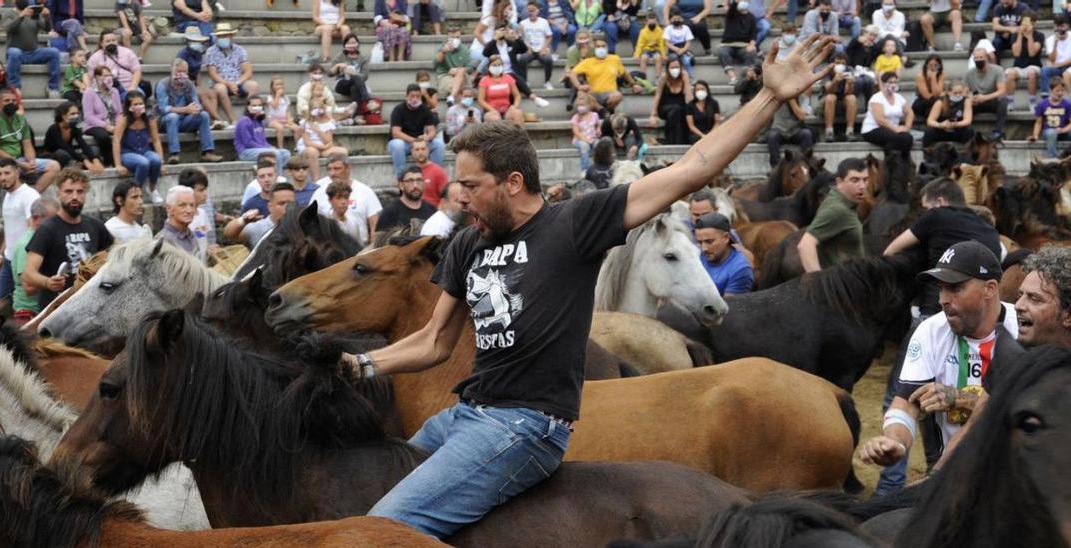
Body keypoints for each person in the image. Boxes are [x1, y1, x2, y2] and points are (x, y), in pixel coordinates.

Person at [338, 36, 833, 539]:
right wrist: (362, 364)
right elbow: (434, 342)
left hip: (522, 427)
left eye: (471, 186)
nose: (458, 197)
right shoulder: (468, 245)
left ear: (512, 183)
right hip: (462, 416)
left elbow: (694, 168)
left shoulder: (575, 225)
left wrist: (768, 98)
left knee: (383, 528)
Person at [858, 241, 1022, 485]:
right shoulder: (930, 331)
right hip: (956, 474)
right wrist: (895, 441)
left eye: (955, 288)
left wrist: (962, 399)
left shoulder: (1024, 329)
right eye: (941, 288)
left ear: (989, 288)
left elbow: (1033, 409)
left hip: (1018, 475)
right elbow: (906, 401)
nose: (943, 299)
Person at [884, 177, 1004, 316]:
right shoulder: (988, 228)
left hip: (936, 310)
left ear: (940, 202)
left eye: (926, 208)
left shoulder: (936, 215)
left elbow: (890, 251)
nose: (925, 213)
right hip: (982, 314)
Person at [22, 168, 113, 309]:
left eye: (80, 191)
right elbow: (28, 274)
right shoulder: (47, 229)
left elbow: (116, 252)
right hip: (57, 309)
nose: (74, 196)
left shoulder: (95, 226)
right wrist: (47, 282)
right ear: (59, 194)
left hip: (90, 306)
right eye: (68, 191)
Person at [0, 89, 60, 192]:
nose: (11, 103)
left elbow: (27, 145)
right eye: (7, 100)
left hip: (19, 160)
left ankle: (33, 196)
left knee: (54, 166)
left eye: (14, 100)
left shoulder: (21, 119)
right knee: (11, 170)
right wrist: (21, 165)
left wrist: (31, 163)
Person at [799, 157, 866, 272]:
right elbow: (805, 245)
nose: (862, 186)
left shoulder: (843, 202)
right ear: (839, 182)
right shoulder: (837, 210)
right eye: (855, 180)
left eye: (865, 180)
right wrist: (820, 282)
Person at [0, 158, 40, 302]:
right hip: (8, 260)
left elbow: (35, 230)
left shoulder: (29, 195)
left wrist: (30, 264)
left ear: (17, 173)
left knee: (25, 307)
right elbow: (10, 230)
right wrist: (0, 256)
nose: (3, 178)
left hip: (24, 263)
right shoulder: (7, 195)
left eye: (7, 173)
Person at [155, 59, 221, 165]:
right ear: (172, 71)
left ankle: (207, 152)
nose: (181, 74)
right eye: (179, 71)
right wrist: (185, 109)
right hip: (166, 121)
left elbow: (196, 102)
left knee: (203, 115)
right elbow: (163, 108)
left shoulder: (189, 84)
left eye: (184, 72)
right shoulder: (163, 84)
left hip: (185, 120)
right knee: (172, 117)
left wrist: (196, 109)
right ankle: (174, 154)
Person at [311, 153, 383, 242]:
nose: (332, 173)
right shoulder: (319, 193)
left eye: (337, 169)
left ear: (348, 169)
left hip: (359, 246)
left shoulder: (365, 191)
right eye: (329, 169)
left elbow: (374, 223)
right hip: (329, 247)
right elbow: (311, 220)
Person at [11, 197, 59, 323]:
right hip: (29, 313)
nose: (56, 224)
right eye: (52, 219)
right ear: (36, 218)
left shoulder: (44, 240)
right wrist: (53, 278)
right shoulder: (25, 244)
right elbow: (29, 288)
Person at [113, 91, 166, 198]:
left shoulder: (150, 119)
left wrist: (162, 162)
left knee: (155, 160)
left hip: (144, 150)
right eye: (135, 104)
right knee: (143, 163)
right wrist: (118, 164)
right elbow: (116, 140)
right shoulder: (124, 120)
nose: (138, 107)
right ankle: (135, 191)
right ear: (129, 106)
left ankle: (152, 188)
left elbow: (156, 140)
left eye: (140, 104)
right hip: (128, 152)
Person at [201, 23, 257, 125]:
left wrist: (237, 83)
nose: (223, 38)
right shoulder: (210, 51)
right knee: (220, 88)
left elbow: (248, 71)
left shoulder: (240, 50)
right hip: (220, 82)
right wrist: (228, 84)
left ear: (231, 36)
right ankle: (233, 119)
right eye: (220, 36)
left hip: (237, 82)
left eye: (225, 35)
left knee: (253, 86)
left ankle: (249, 117)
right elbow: (213, 73)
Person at [4, 0, 61, 99]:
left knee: (54, 52)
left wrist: (47, 16)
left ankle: (53, 88)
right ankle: (14, 88)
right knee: (14, 52)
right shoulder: (8, 13)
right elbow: (9, 28)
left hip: (33, 52)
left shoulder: (34, 14)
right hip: (16, 53)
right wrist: (21, 16)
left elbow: (47, 28)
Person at [1016, 247, 1071, 347]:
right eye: (1020, 295)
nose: (1018, 306)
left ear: (1068, 316)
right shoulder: (1008, 358)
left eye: (1034, 299)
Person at [570, 36, 637, 113]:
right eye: (598, 46)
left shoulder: (615, 59)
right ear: (594, 48)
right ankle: (602, 110)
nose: (601, 48)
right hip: (593, 94)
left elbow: (624, 72)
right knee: (581, 94)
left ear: (607, 47)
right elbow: (572, 73)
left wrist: (633, 84)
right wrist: (579, 86)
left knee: (618, 96)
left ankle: (602, 110)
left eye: (603, 46)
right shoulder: (587, 61)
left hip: (610, 94)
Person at [693, 212, 753, 295]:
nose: (703, 248)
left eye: (709, 241)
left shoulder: (740, 269)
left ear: (726, 238)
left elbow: (731, 306)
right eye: (700, 242)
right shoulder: (696, 256)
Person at [225, 182, 298, 248]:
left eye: (290, 203)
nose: (287, 207)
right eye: (281, 203)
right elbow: (229, 234)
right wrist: (243, 221)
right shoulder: (259, 228)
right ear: (270, 207)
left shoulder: (301, 227)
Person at [862, 71, 914, 154]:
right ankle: (891, 163)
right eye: (890, 82)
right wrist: (895, 129)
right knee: (894, 138)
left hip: (893, 129)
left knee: (908, 138)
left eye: (895, 82)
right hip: (873, 129)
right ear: (883, 83)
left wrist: (907, 127)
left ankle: (904, 161)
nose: (893, 85)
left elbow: (909, 113)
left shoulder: (899, 98)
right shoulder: (876, 98)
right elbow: (879, 119)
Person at [44, 101, 104, 172]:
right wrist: (85, 160)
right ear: (63, 116)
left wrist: (95, 159)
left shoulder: (75, 127)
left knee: (94, 149)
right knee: (62, 153)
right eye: (72, 114)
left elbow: (83, 144)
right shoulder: (53, 129)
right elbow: (65, 147)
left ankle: (79, 164)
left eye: (77, 113)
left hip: (70, 153)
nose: (76, 116)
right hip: (54, 156)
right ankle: (78, 164)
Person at [235, 95, 291, 170]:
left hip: (260, 149)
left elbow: (263, 140)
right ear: (248, 107)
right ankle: (278, 179)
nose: (257, 107)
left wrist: (269, 146)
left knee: (286, 153)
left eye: (259, 105)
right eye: (254, 105)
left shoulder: (259, 121)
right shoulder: (244, 120)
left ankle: (273, 173)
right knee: (275, 154)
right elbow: (248, 142)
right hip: (246, 151)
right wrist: (267, 148)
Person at [966, 47, 1010, 141]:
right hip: (976, 102)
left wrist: (985, 97)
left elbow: (1002, 90)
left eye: (981, 57)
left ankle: (998, 131)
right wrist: (971, 98)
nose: (979, 60)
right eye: (976, 58)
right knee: (964, 103)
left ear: (986, 58)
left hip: (992, 100)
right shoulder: (969, 73)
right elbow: (964, 92)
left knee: (1004, 101)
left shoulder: (998, 70)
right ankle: (965, 131)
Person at [89, 28, 145, 99]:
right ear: (101, 44)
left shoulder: (128, 52)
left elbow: (137, 71)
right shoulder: (95, 58)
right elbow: (90, 77)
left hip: (128, 85)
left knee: (139, 95)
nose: (111, 43)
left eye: (113, 40)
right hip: (107, 89)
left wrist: (133, 86)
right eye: (108, 41)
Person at [377, 167, 438, 231]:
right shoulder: (390, 212)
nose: (415, 185)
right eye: (410, 181)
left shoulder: (432, 210)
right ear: (401, 185)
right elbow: (380, 238)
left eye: (419, 180)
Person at [82, 65, 121, 166]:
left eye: (109, 75)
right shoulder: (89, 92)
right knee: (103, 136)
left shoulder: (114, 91)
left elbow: (119, 112)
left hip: (113, 123)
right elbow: (88, 116)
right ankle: (109, 161)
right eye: (105, 75)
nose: (108, 78)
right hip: (94, 125)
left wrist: (118, 124)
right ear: (97, 77)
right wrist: (106, 126)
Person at [156, 185, 206, 261]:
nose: (189, 210)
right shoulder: (163, 241)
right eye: (182, 205)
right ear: (169, 208)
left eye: (192, 205)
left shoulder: (191, 236)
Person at [766, 87, 813, 166]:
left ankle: (802, 164)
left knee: (807, 134)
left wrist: (791, 100)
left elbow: (801, 116)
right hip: (779, 129)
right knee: (772, 136)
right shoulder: (778, 96)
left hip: (795, 130)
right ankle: (776, 167)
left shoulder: (803, 98)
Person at [649, 57, 691, 144]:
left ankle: (671, 141)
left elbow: (689, 96)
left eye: (677, 67)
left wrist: (686, 82)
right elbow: (658, 95)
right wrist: (653, 114)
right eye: (672, 68)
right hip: (665, 108)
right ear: (668, 68)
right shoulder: (664, 77)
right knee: (676, 110)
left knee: (680, 111)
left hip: (680, 108)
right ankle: (673, 141)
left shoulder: (684, 76)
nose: (675, 70)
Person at [922, 80, 976, 148]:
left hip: (958, 129)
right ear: (949, 92)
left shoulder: (966, 101)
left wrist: (955, 124)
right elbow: (930, 121)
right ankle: (927, 153)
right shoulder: (940, 102)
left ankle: (967, 154)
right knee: (929, 132)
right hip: (942, 129)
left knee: (969, 131)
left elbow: (967, 120)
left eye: (960, 93)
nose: (958, 95)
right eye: (955, 93)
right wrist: (940, 125)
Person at [1006, 13, 1043, 104]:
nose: (1025, 26)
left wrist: (1029, 36)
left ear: (1033, 24)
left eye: (1028, 23)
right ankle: (1010, 102)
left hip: (1034, 65)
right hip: (1018, 66)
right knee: (1010, 74)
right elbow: (1016, 53)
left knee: (1031, 73)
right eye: (1023, 23)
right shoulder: (1015, 35)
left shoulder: (1039, 35)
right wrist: (1020, 35)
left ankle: (1032, 102)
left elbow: (1032, 53)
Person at [821, 50, 858, 141]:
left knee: (852, 98)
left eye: (843, 63)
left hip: (842, 102)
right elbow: (828, 90)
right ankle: (829, 131)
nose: (840, 65)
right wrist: (835, 81)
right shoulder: (827, 71)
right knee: (831, 97)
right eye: (837, 63)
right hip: (825, 103)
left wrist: (849, 84)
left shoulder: (849, 70)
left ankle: (850, 131)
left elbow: (849, 93)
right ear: (832, 64)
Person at [518, 1, 556, 89]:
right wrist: (526, 48)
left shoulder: (544, 22)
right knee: (522, 59)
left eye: (532, 10)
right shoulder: (522, 23)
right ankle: (525, 81)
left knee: (548, 59)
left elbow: (549, 37)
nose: (530, 12)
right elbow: (520, 38)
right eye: (528, 10)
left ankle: (547, 81)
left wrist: (544, 48)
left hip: (541, 49)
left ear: (537, 11)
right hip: (529, 49)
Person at [478, 54, 527, 124]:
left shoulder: (508, 78)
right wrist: (492, 110)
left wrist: (514, 106)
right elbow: (481, 100)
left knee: (518, 114)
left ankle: (519, 134)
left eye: (499, 65)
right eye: (494, 65)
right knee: (495, 119)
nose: (497, 67)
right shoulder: (484, 80)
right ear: (489, 66)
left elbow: (517, 96)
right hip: (490, 110)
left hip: (507, 109)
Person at [717, 1, 757, 85]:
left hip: (743, 45)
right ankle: (733, 77)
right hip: (727, 44)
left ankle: (747, 77)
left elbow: (753, 34)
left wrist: (752, 44)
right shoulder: (732, 14)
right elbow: (732, 8)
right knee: (722, 52)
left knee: (752, 52)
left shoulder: (752, 17)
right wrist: (735, 2)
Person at [1029, 79, 1071, 157]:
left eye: (1062, 91)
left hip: (1063, 131)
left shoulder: (1067, 104)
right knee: (1051, 133)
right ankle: (1052, 158)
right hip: (1049, 131)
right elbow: (1038, 122)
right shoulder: (1042, 104)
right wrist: (1035, 135)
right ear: (1051, 90)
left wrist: (1062, 130)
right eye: (1057, 91)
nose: (1060, 93)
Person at [104, 179, 151, 244]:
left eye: (141, 197)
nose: (140, 202)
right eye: (134, 197)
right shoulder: (110, 229)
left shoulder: (141, 230)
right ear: (119, 200)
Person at [178, 167, 218, 244]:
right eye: (201, 190)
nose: (205, 194)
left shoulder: (202, 213)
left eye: (205, 189)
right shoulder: (179, 219)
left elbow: (201, 237)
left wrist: (208, 248)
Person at [330, 33, 373, 105]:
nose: (351, 45)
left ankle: (355, 112)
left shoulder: (363, 58)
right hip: (342, 84)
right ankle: (367, 98)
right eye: (349, 43)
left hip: (357, 85)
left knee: (354, 88)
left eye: (353, 43)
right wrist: (338, 65)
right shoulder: (340, 56)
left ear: (358, 44)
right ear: (345, 45)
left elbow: (365, 76)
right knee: (355, 81)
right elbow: (329, 73)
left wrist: (354, 73)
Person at [435, 27, 475, 101]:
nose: (455, 40)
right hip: (445, 75)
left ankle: (451, 98)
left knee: (461, 71)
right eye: (452, 38)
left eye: (457, 37)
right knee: (460, 88)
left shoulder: (464, 49)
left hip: (462, 75)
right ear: (447, 38)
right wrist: (443, 52)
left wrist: (458, 70)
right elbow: (435, 64)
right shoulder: (441, 48)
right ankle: (459, 105)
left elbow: (470, 67)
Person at [412, 139, 450, 207]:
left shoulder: (438, 171)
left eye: (423, 149)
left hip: (433, 213)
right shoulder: (409, 173)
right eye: (417, 149)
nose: (420, 152)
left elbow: (445, 198)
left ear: (428, 150)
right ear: (412, 152)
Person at [265, 77, 300, 151]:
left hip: (284, 120)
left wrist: (289, 119)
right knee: (280, 128)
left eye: (281, 84)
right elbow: (274, 106)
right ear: (272, 87)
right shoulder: (270, 97)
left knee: (297, 128)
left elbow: (287, 110)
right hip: (273, 120)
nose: (279, 86)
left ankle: (297, 146)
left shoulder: (285, 97)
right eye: (277, 85)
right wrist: (277, 95)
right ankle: (281, 147)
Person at [632, 10, 665, 81]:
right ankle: (643, 78)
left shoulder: (660, 31)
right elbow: (640, 44)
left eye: (654, 22)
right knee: (643, 58)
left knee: (658, 58)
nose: (652, 23)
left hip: (656, 49)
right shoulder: (643, 32)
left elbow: (661, 44)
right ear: (646, 22)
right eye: (650, 22)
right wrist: (637, 54)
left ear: (657, 22)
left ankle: (657, 77)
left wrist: (663, 55)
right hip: (646, 49)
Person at [571, 92, 600, 170]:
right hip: (580, 140)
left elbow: (598, 125)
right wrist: (586, 140)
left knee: (598, 144)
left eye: (583, 105)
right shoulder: (576, 117)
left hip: (592, 138)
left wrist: (598, 130)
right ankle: (585, 169)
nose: (581, 107)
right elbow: (576, 132)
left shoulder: (594, 115)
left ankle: (598, 166)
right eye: (579, 106)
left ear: (589, 105)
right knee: (584, 146)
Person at [1043, 16, 1071, 97]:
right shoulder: (1050, 40)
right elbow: (1052, 60)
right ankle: (1045, 97)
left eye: (1062, 26)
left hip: (1068, 66)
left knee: (1066, 74)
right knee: (1045, 70)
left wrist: (1057, 65)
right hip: (1057, 68)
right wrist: (1055, 43)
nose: (1060, 29)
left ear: (1068, 26)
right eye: (1057, 26)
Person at [662, 12, 695, 77]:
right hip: (672, 50)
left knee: (686, 61)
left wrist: (682, 50)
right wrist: (676, 49)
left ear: (682, 19)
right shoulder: (668, 28)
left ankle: (690, 77)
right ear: (671, 20)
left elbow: (688, 42)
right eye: (674, 18)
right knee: (673, 59)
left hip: (684, 50)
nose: (676, 20)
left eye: (678, 18)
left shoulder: (686, 28)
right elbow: (667, 43)